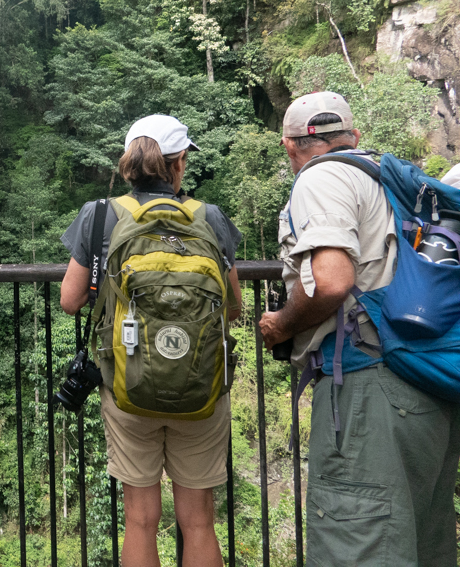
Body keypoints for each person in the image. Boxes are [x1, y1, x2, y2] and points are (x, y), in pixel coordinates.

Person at [258, 91, 460, 566]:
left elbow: (331, 282)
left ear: (289, 146)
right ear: (354, 135)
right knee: (422, 541)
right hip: (427, 385)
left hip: (371, 386)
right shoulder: (389, 180)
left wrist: (280, 325)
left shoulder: (320, 177)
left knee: (358, 542)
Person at [60, 115, 242, 567]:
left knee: (140, 520)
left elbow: (70, 300)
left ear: (129, 162)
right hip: (201, 386)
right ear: (178, 164)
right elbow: (233, 305)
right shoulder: (210, 218)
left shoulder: (100, 215)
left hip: (128, 384)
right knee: (198, 522)